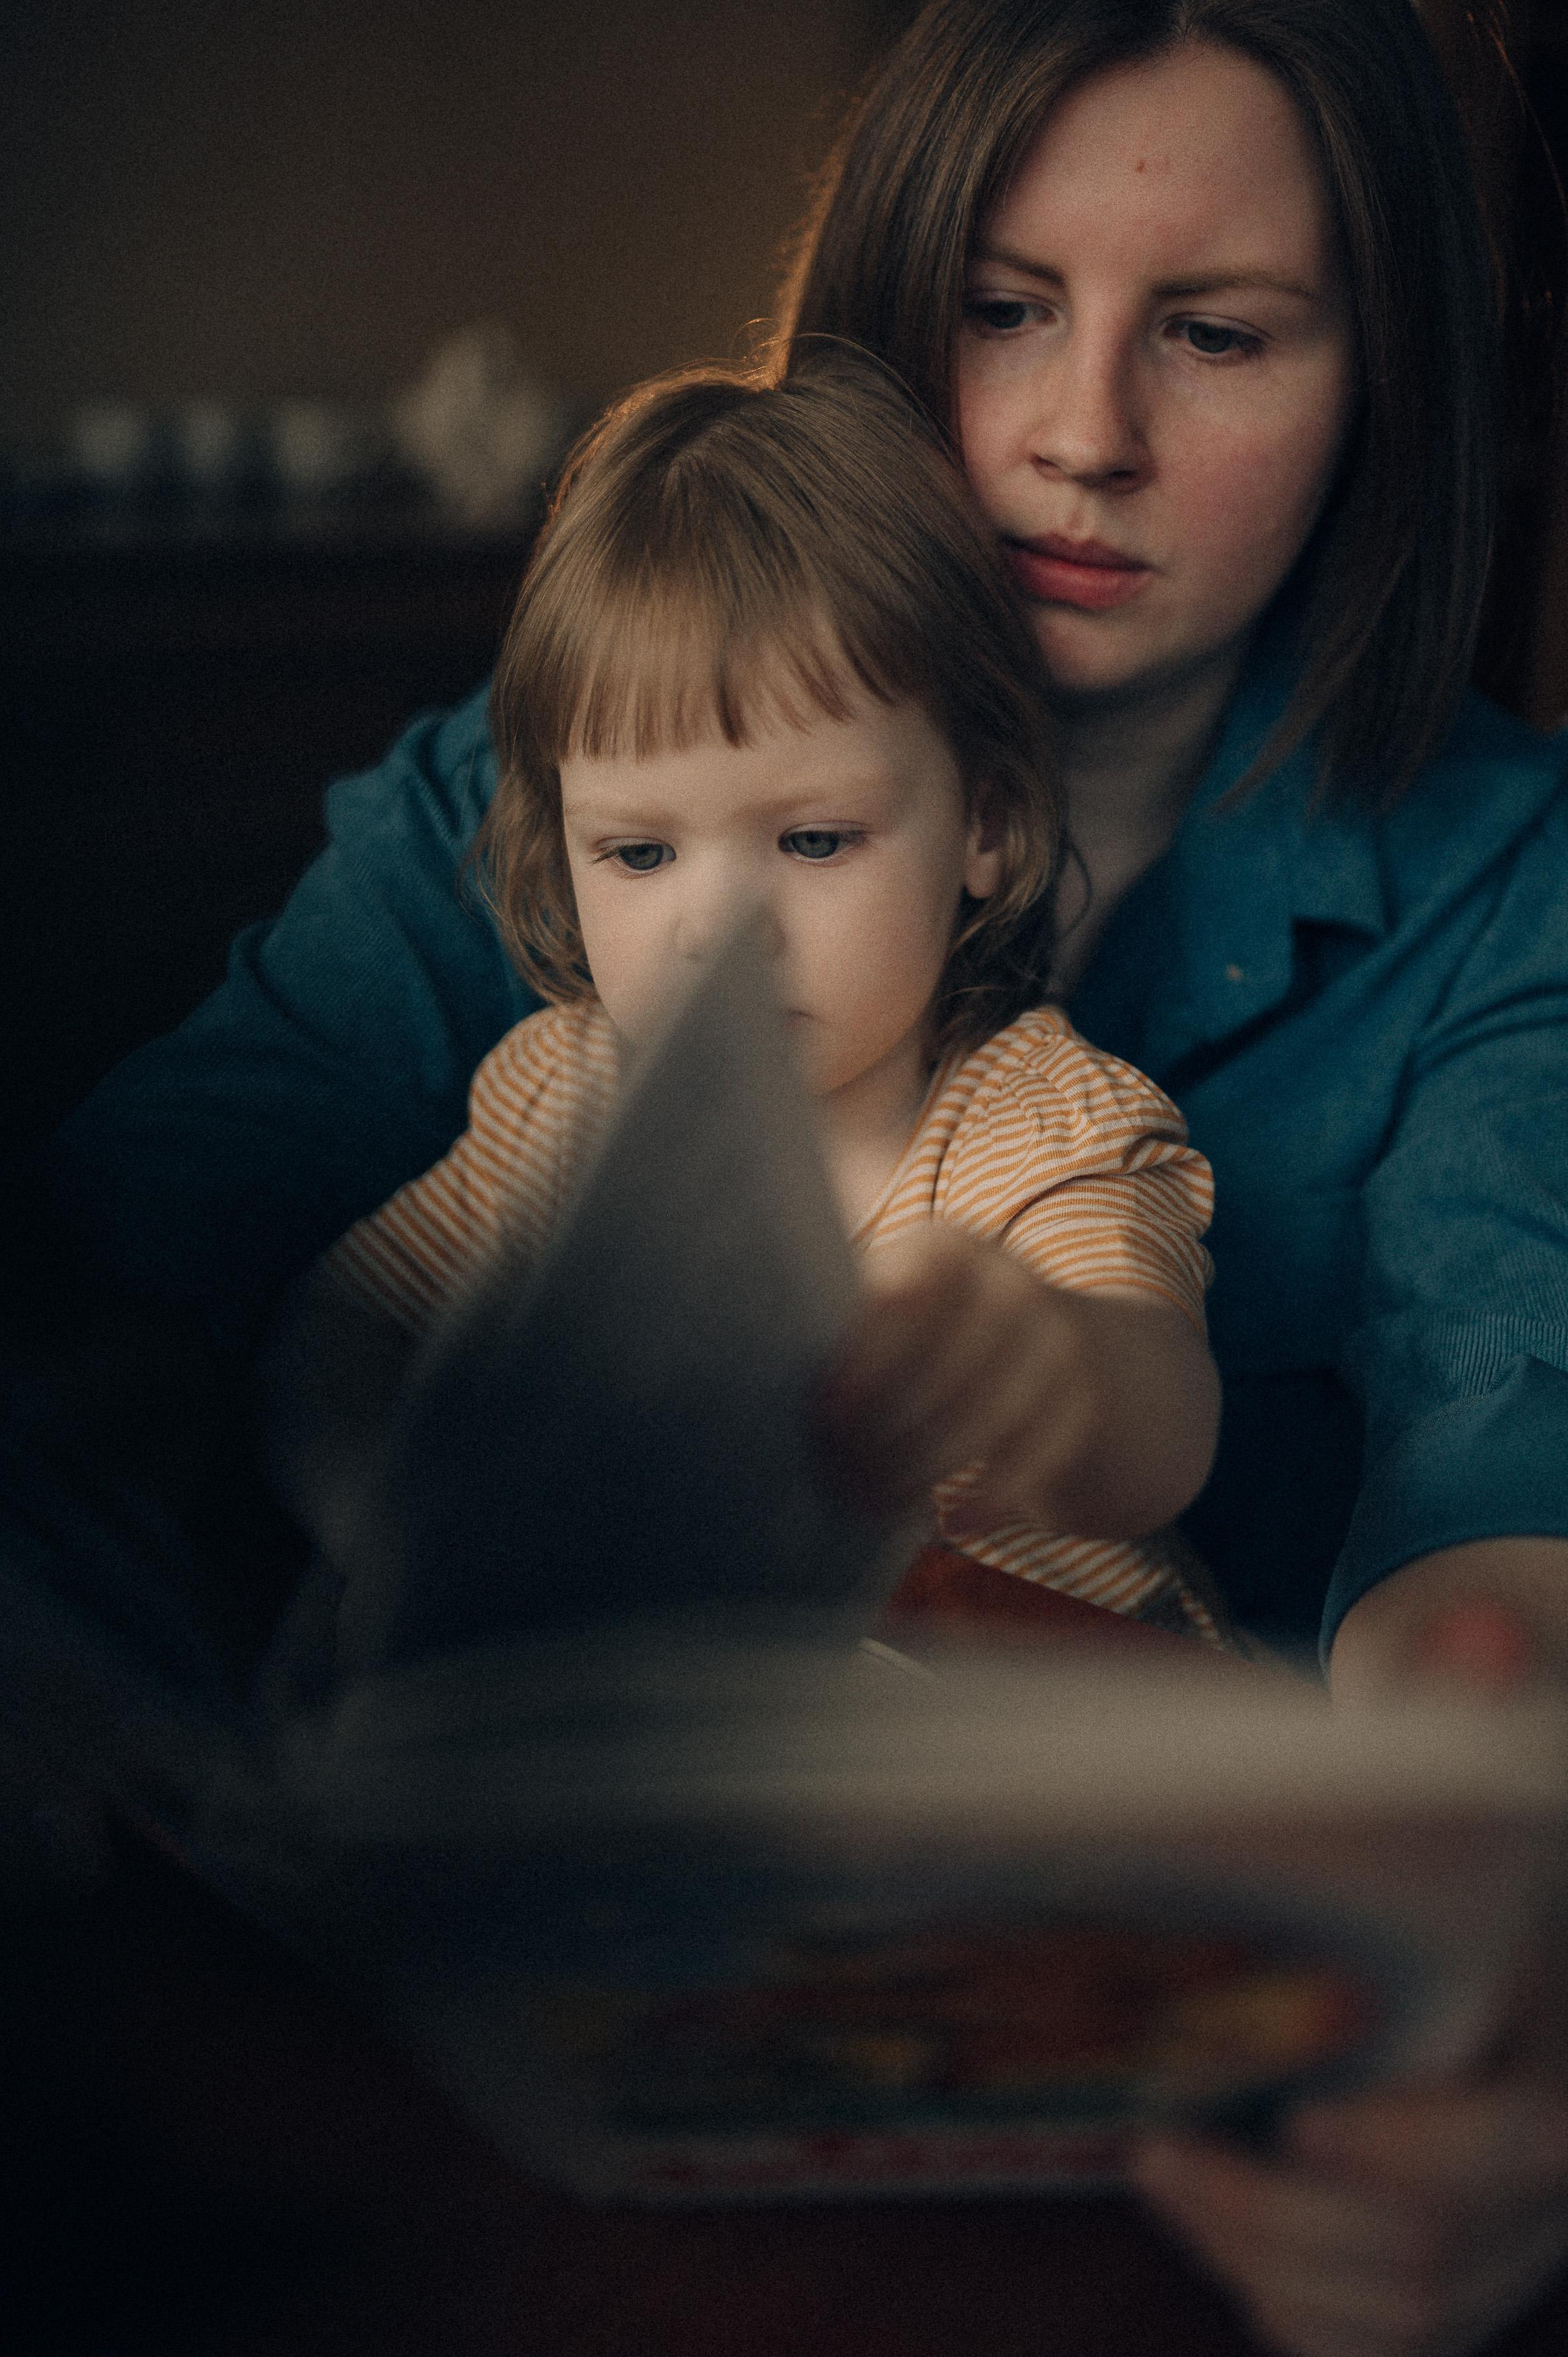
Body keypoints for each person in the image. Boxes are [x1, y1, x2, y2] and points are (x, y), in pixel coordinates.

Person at [27, 0, 1568, 2348]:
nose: (1080, 438)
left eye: (1220, 335)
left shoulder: (1506, 890)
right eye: (997, 309)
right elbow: (134, 1264)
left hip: (1088, 2063)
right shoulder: (559, 763)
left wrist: (1496, 2019)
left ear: (1383, 390)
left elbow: (1493, 1529)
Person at [263, 356, 1225, 1646]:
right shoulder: (559, 1097)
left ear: (986, 822)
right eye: (639, 853)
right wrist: (393, 1517)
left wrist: (1044, 1360)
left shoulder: (1048, 1128)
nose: (717, 929)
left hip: (1041, 1762)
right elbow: (344, 1330)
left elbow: (1162, 1426)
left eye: (815, 840)